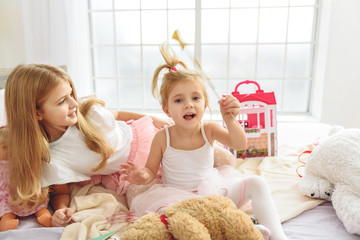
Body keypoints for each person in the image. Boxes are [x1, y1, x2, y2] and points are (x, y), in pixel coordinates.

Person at [120, 44, 288, 240]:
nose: (189, 104)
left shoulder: (209, 130)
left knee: (257, 183)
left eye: (195, 98)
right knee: (169, 217)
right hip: (176, 199)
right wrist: (141, 176)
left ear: (205, 104)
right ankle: (234, 229)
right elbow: (150, 170)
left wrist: (230, 120)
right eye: (179, 100)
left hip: (214, 192)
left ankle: (277, 235)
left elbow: (240, 144)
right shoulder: (162, 137)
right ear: (167, 110)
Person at [4, 64, 172, 227]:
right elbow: (60, 192)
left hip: (145, 140)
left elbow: (119, 114)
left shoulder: (87, 113)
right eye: (62, 101)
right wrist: (61, 210)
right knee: (146, 205)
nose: (73, 103)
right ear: (37, 112)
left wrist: (152, 118)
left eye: (71, 94)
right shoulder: (52, 158)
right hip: (128, 171)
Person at [0, 127, 52, 231]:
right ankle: (6, 222)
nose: (10, 151)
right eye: (5, 147)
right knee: (6, 210)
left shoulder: (25, 161)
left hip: (29, 192)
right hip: (7, 196)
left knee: (38, 203)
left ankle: (45, 216)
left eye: (14, 148)